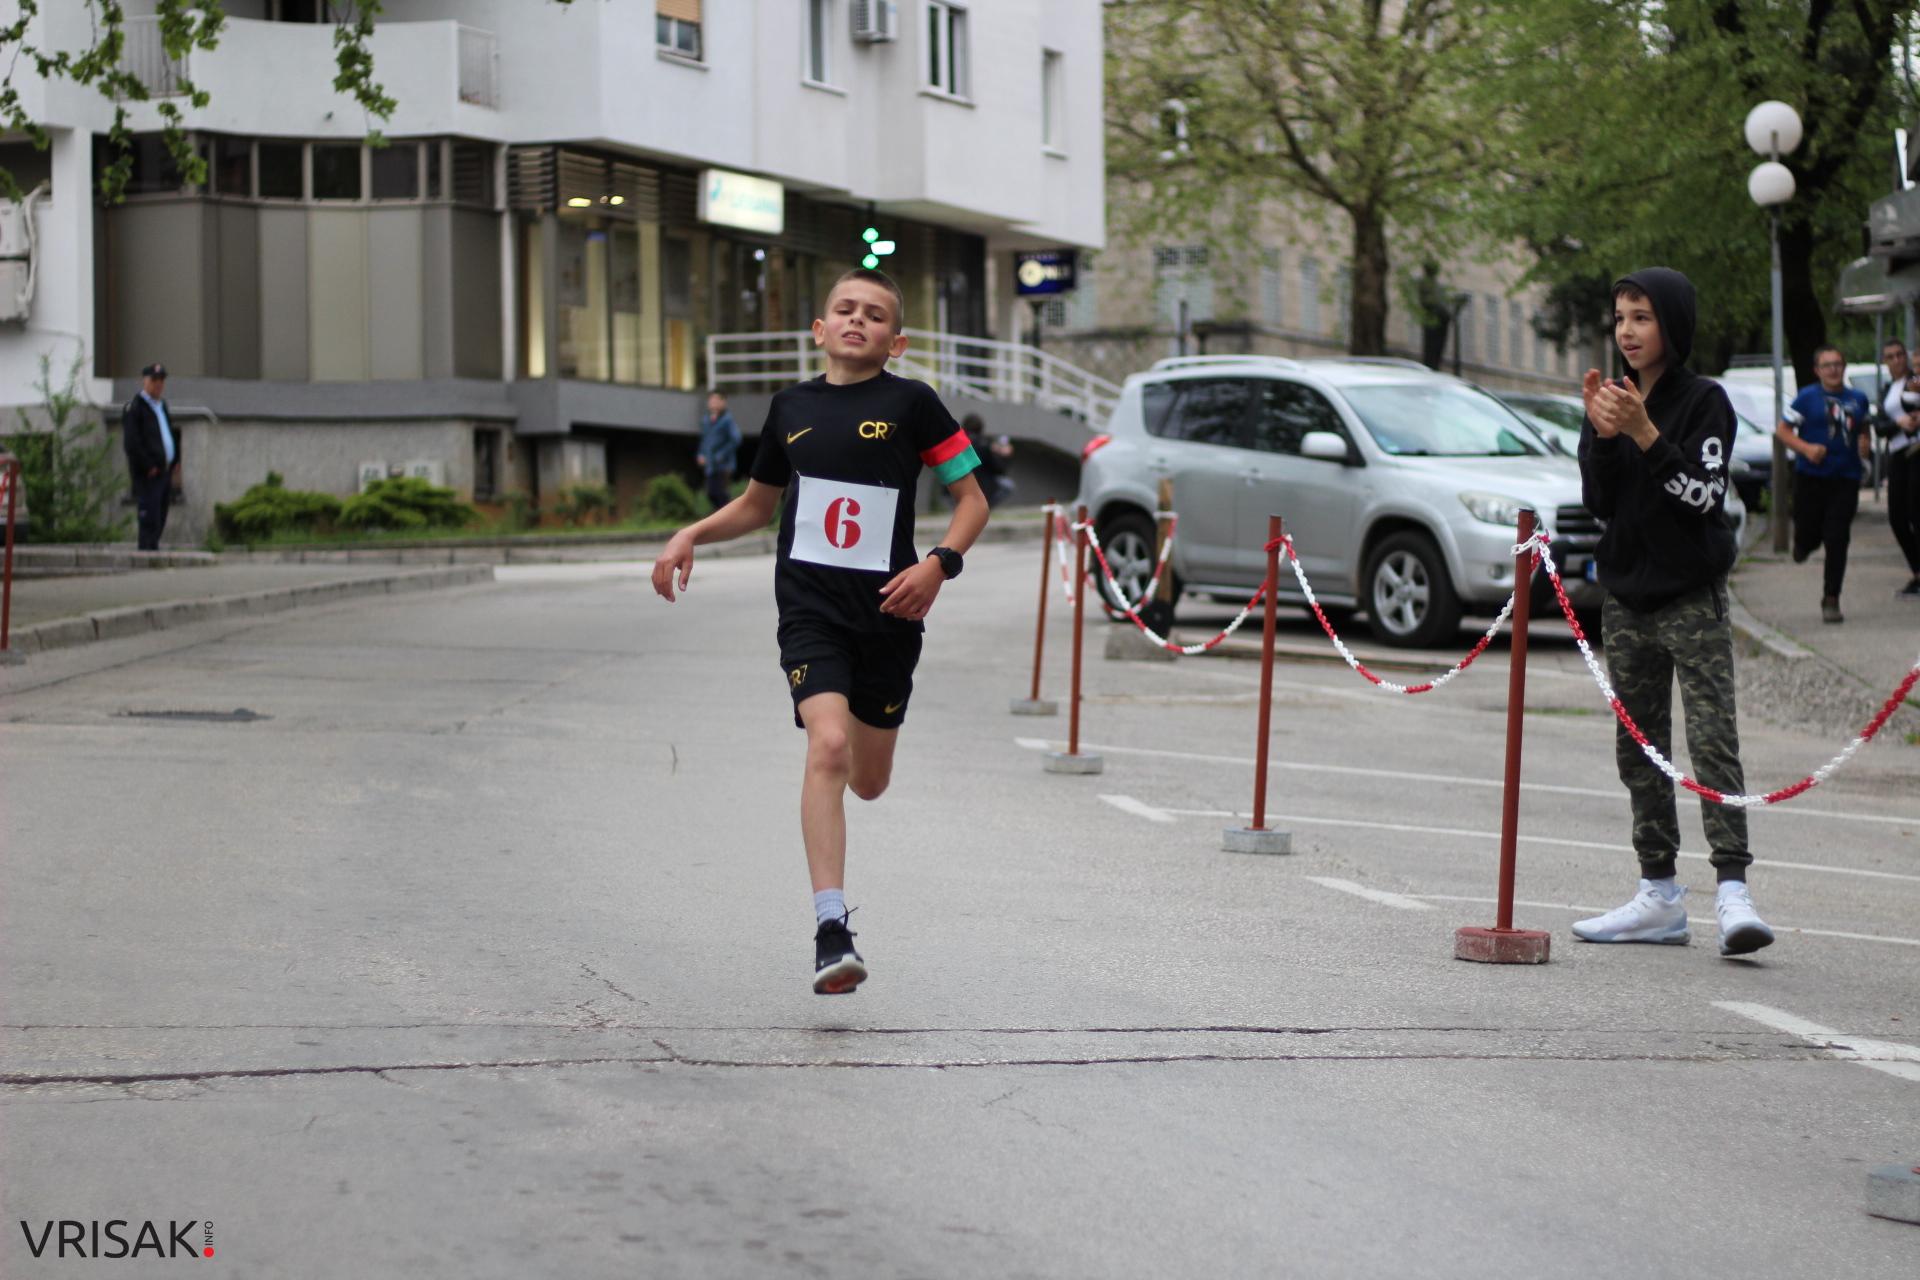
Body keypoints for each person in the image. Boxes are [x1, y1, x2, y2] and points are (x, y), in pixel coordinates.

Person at [650, 269, 989, 994]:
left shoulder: (914, 404)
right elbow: (754, 506)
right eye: (844, 309)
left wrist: (939, 564)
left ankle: (859, 800)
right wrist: (690, 534)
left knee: (867, 781)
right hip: (810, 612)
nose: (857, 320)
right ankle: (831, 929)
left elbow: (972, 499)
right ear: (819, 328)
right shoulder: (789, 407)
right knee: (826, 745)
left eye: (874, 315)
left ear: (895, 341)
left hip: (892, 615)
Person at [1573, 267, 1773, 957]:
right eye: (1620, 317)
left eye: (1642, 317)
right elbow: (1600, 503)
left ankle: (1733, 892)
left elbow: (1703, 497)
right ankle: (1658, 894)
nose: (1626, 331)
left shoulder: (1704, 402)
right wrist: (1603, 435)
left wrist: (1647, 434)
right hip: (1627, 601)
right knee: (1639, 750)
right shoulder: (1612, 400)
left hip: (1691, 596)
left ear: (1673, 326)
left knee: (1713, 741)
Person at [1777, 344, 1872, 623]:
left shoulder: (1858, 398)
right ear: (1817, 370)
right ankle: (1803, 544)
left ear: (1844, 368)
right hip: (1811, 477)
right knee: (1809, 531)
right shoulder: (1807, 398)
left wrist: (1864, 442)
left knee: (1838, 536)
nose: (1833, 369)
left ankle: (1831, 598)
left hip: (1846, 477)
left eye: (1838, 364)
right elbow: (1783, 431)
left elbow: (1863, 427)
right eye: (1827, 365)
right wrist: (1806, 448)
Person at [121, 362, 179, 551]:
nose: (158, 384)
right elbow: (132, 443)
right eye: (154, 380)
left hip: (164, 470)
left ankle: (153, 547)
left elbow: (168, 434)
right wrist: (148, 465)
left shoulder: (161, 406)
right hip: (149, 473)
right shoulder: (136, 407)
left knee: (161, 512)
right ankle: (146, 550)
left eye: (161, 380)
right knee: (149, 513)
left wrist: (174, 459)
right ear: (145, 381)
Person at [1880, 339, 1920, 600]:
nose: (1896, 361)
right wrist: (1898, 424)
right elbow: (1879, 425)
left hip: (1916, 450)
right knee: (1897, 517)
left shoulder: (1914, 381)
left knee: (1916, 512)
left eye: (1900, 355)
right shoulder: (1887, 388)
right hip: (1897, 453)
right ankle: (1916, 571)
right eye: (1890, 357)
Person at [695, 390, 741, 512]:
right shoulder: (706, 420)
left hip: (723, 465)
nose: (713, 403)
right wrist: (701, 454)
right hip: (710, 464)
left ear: (723, 402)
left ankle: (729, 518)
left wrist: (722, 454)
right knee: (711, 493)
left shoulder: (727, 420)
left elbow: (736, 439)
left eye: (716, 400)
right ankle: (720, 518)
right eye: (711, 400)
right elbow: (704, 440)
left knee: (721, 493)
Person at [961, 413, 1015, 508]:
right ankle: (984, 508)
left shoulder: (959, 442)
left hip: (957, 484)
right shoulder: (983, 444)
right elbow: (999, 469)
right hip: (981, 485)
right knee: (1008, 485)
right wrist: (1005, 455)